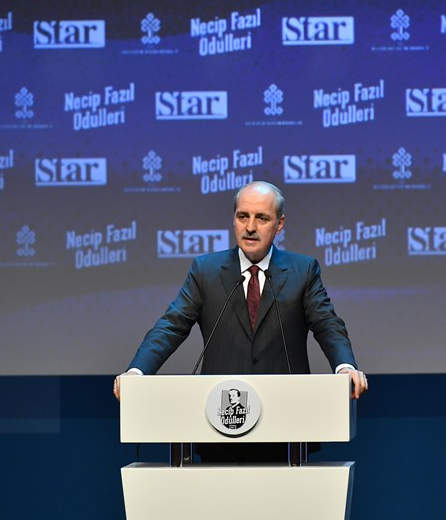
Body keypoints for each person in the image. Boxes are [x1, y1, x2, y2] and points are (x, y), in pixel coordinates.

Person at [113, 181, 367, 460]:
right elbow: (172, 325)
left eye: (262, 218)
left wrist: (345, 366)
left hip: (286, 426)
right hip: (217, 424)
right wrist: (137, 372)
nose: (250, 227)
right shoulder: (206, 270)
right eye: (243, 216)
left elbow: (327, 324)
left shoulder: (303, 271)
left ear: (280, 224)